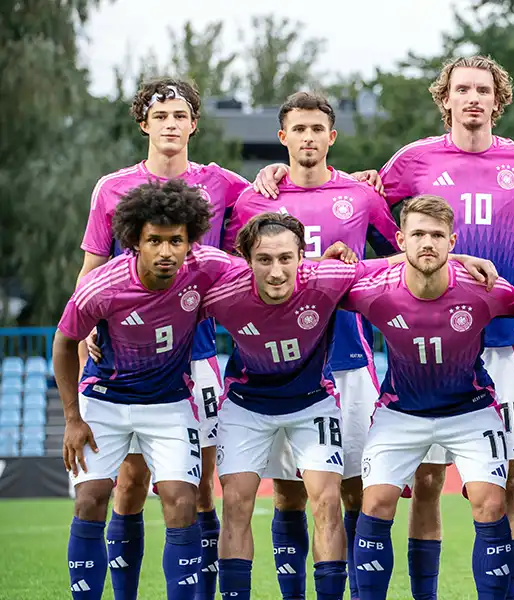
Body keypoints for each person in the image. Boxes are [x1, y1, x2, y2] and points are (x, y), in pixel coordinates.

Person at [253, 55, 514, 600]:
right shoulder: (412, 161)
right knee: (429, 482)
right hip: (430, 336)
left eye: (483, 89)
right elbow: (365, 203)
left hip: (507, 338)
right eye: (463, 89)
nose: (473, 98)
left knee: (511, 480)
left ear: (498, 100)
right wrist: (278, 171)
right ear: (446, 99)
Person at [204, 212, 495, 600]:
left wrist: (457, 260)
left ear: (302, 258)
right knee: (236, 501)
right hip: (246, 405)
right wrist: (97, 338)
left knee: (327, 499)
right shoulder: (222, 294)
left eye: (286, 259)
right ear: (246, 259)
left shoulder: (326, 278)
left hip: (312, 404)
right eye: (264, 260)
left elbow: (400, 261)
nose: (276, 272)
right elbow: (173, 306)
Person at [222, 91, 400, 600]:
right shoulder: (256, 199)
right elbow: (229, 269)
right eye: (297, 129)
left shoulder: (361, 196)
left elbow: (400, 257)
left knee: (354, 488)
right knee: (288, 492)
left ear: (331, 137)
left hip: (347, 360)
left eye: (316, 129)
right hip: (277, 366)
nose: (307, 138)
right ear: (283, 137)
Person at [79, 76, 248, 600]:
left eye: (180, 116)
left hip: (196, 356)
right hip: (125, 358)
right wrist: (85, 326)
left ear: (194, 124)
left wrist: (275, 172)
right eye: (161, 117)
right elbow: (93, 268)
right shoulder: (112, 187)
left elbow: (272, 219)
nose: (171, 125)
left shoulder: (223, 183)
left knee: (198, 484)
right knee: (128, 484)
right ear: (144, 124)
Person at [55, 179, 236, 600]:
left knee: (182, 500)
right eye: (154, 240)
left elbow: (268, 271)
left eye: (176, 240)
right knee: (91, 499)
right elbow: (64, 343)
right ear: (135, 240)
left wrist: (322, 261)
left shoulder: (209, 266)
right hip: (105, 400)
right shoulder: (102, 286)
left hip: (170, 403)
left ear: (191, 240)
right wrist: (72, 419)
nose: (166, 251)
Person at [342, 196, 514, 600]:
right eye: (418, 234)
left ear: (452, 241)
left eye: (438, 235)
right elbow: (317, 281)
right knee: (376, 503)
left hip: (470, 409)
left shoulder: (484, 289)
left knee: (491, 504)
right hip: (400, 411)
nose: (428, 242)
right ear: (400, 239)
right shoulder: (375, 291)